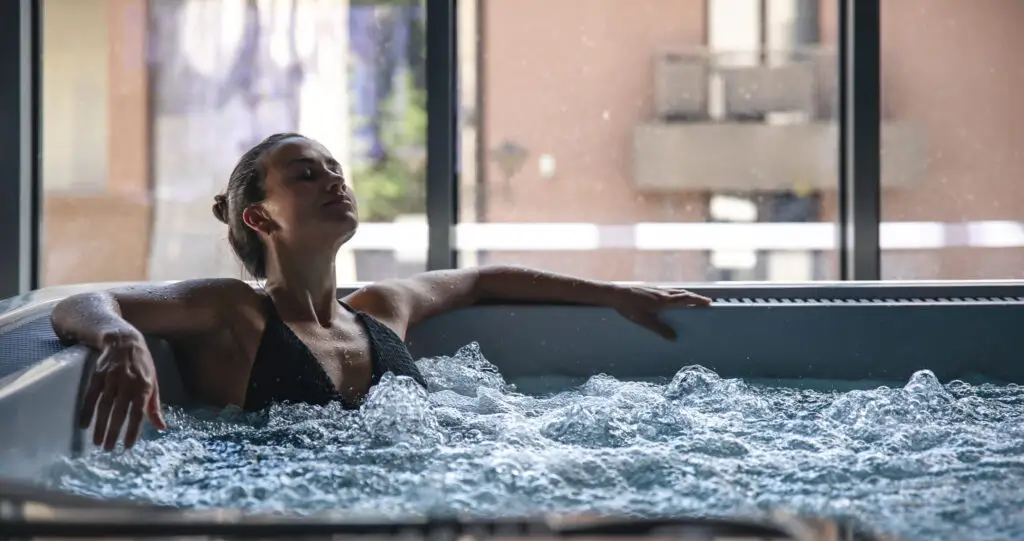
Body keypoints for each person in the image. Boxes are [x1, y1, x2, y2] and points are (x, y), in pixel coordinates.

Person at [51, 132, 711, 452]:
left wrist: (614, 293)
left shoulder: (379, 310)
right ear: (260, 217)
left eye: (336, 170)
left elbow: (481, 281)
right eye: (307, 175)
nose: (335, 181)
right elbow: (78, 304)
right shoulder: (237, 313)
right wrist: (119, 338)